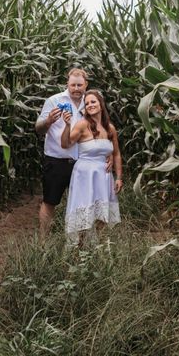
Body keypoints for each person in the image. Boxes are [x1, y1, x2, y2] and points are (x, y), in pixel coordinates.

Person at [60, 89, 122, 245]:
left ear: (101, 104)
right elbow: (65, 144)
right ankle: (80, 247)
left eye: (93, 101)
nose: (90, 105)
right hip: (84, 174)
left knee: (102, 213)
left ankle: (98, 246)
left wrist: (119, 177)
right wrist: (67, 125)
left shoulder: (110, 128)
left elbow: (116, 154)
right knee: (85, 211)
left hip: (104, 174)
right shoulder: (82, 125)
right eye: (86, 103)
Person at [35, 68, 89, 238]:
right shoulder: (54, 101)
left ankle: (78, 244)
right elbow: (38, 129)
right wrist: (49, 120)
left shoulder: (90, 102)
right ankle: (43, 243)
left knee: (82, 204)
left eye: (80, 85)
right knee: (50, 202)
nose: (76, 88)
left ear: (85, 85)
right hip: (56, 160)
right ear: (67, 84)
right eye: (73, 85)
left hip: (81, 161)